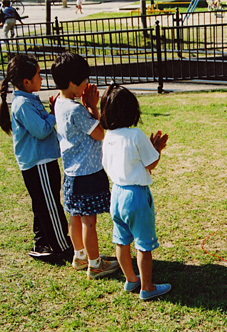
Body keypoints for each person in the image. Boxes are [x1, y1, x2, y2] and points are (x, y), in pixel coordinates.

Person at [51, 52, 119, 279]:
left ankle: (80, 256)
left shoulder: (60, 103)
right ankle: (95, 264)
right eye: (83, 81)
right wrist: (92, 107)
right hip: (87, 174)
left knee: (75, 216)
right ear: (72, 82)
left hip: (71, 173)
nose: (87, 85)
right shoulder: (76, 110)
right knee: (89, 223)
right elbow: (99, 134)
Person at [101, 84, 171, 300]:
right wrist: (156, 148)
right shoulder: (136, 135)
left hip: (117, 194)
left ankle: (131, 279)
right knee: (144, 244)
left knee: (121, 240)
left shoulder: (109, 136)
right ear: (133, 111)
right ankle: (147, 287)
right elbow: (151, 164)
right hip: (137, 197)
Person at [0, 54, 73, 261]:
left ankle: (42, 243)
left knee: (42, 204)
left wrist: (49, 112)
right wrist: (53, 114)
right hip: (38, 164)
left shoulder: (28, 99)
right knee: (50, 206)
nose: (42, 78)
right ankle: (61, 247)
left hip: (41, 161)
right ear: (26, 81)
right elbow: (41, 130)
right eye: (39, 75)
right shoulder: (22, 104)